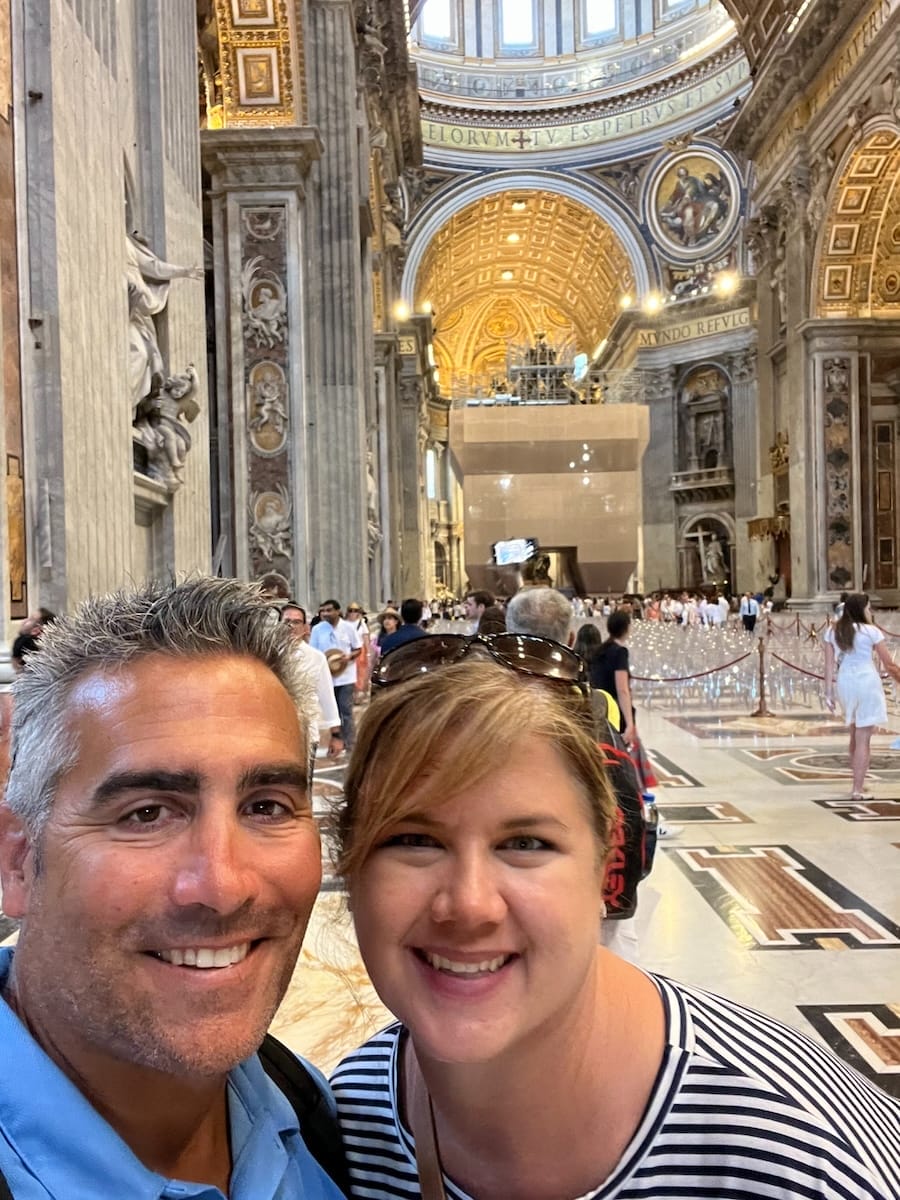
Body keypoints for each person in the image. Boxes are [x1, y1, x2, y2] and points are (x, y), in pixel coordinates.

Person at [330, 657, 900, 1200]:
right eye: (414, 840)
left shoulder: (802, 1155)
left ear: (605, 865)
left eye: (526, 843)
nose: (470, 904)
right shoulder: (345, 1124)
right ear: (350, 866)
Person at [0, 577, 348, 1198]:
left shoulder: (306, 1105)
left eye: (266, 806)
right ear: (18, 860)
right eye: (146, 814)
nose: (222, 886)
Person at [823, 592, 900, 800]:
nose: (870, 610)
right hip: (867, 681)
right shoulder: (871, 631)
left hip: (845, 681)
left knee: (854, 733)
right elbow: (889, 663)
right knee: (863, 738)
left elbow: (828, 665)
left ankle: (857, 783)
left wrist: (828, 692)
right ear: (861, 609)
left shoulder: (833, 630)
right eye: (868, 607)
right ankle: (857, 788)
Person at [281, 602, 344, 764]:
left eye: (296, 622)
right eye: (287, 622)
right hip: (277, 732)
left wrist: (336, 735)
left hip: (307, 732)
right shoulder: (269, 654)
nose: (291, 626)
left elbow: (327, 697)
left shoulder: (316, 658)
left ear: (305, 628)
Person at [310, 598, 363, 751]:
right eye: (323, 611)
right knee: (332, 712)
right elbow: (313, 651)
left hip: (346, 676)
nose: (326, 613)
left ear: (338, 611)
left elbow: (358, 648)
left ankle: (350, 743)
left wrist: (349, 657)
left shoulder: (348, 628)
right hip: (327, 677)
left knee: (346, 709)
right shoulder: (318, 630)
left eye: (329, 610)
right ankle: (337, 741)